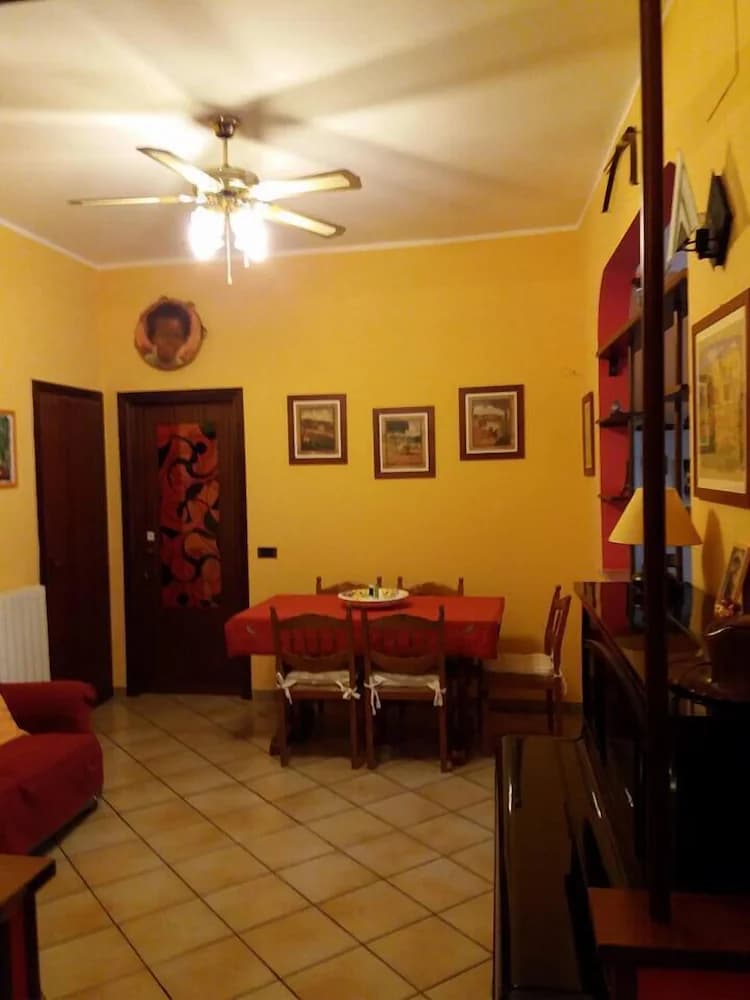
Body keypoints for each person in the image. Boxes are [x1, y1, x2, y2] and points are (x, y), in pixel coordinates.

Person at [142, 301, 192, 369]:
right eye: (164, 335)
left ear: (184, 339)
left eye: (176, 336)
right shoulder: (144, 362)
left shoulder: (184, 366)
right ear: (152, 337)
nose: (170, 341)